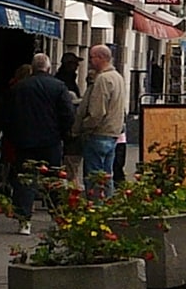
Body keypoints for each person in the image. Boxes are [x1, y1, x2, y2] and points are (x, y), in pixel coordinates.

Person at [7, 53, 75, 233]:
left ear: (33, 67)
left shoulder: (20, 87)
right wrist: (63, 133)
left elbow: (9, 113)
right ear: (48, 67)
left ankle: (24, 221)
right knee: (53, 178)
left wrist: (13, 134)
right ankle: (58, 217)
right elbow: (68, 114)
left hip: (25, 140)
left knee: (25, 180)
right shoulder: (58, 87)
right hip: (50, 140)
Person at [76, 44, 126, 185]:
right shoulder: (118, 77)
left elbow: (97, 112)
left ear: (101, 58)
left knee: (94, 177)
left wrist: (85, 127)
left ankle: (96, 204)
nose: (90, 61)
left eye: (92, 57)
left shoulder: (103, 79)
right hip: (113, 133)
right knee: (106, 176)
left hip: (99, 133)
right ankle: (105, 203)